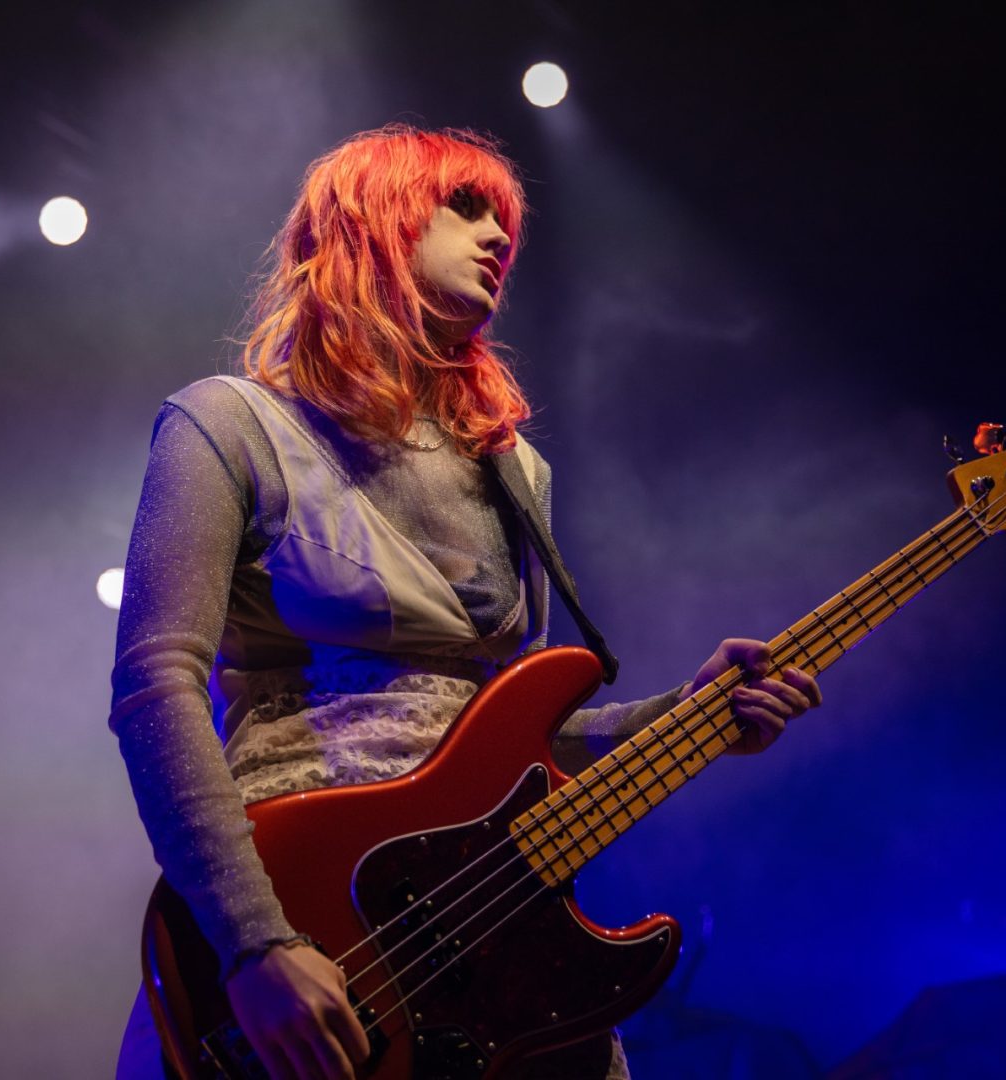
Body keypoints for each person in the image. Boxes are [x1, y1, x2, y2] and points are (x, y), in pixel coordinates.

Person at [108, 124, 822, 1080]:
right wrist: (254, 941)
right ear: (376, 218)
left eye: (509, 225)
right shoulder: (228, 423)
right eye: (467, 206)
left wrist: (688, 719)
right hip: (312, 904)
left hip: (489, 937)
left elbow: (501, 741)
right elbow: (156, 689)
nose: (499, 238)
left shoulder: (513, 468)